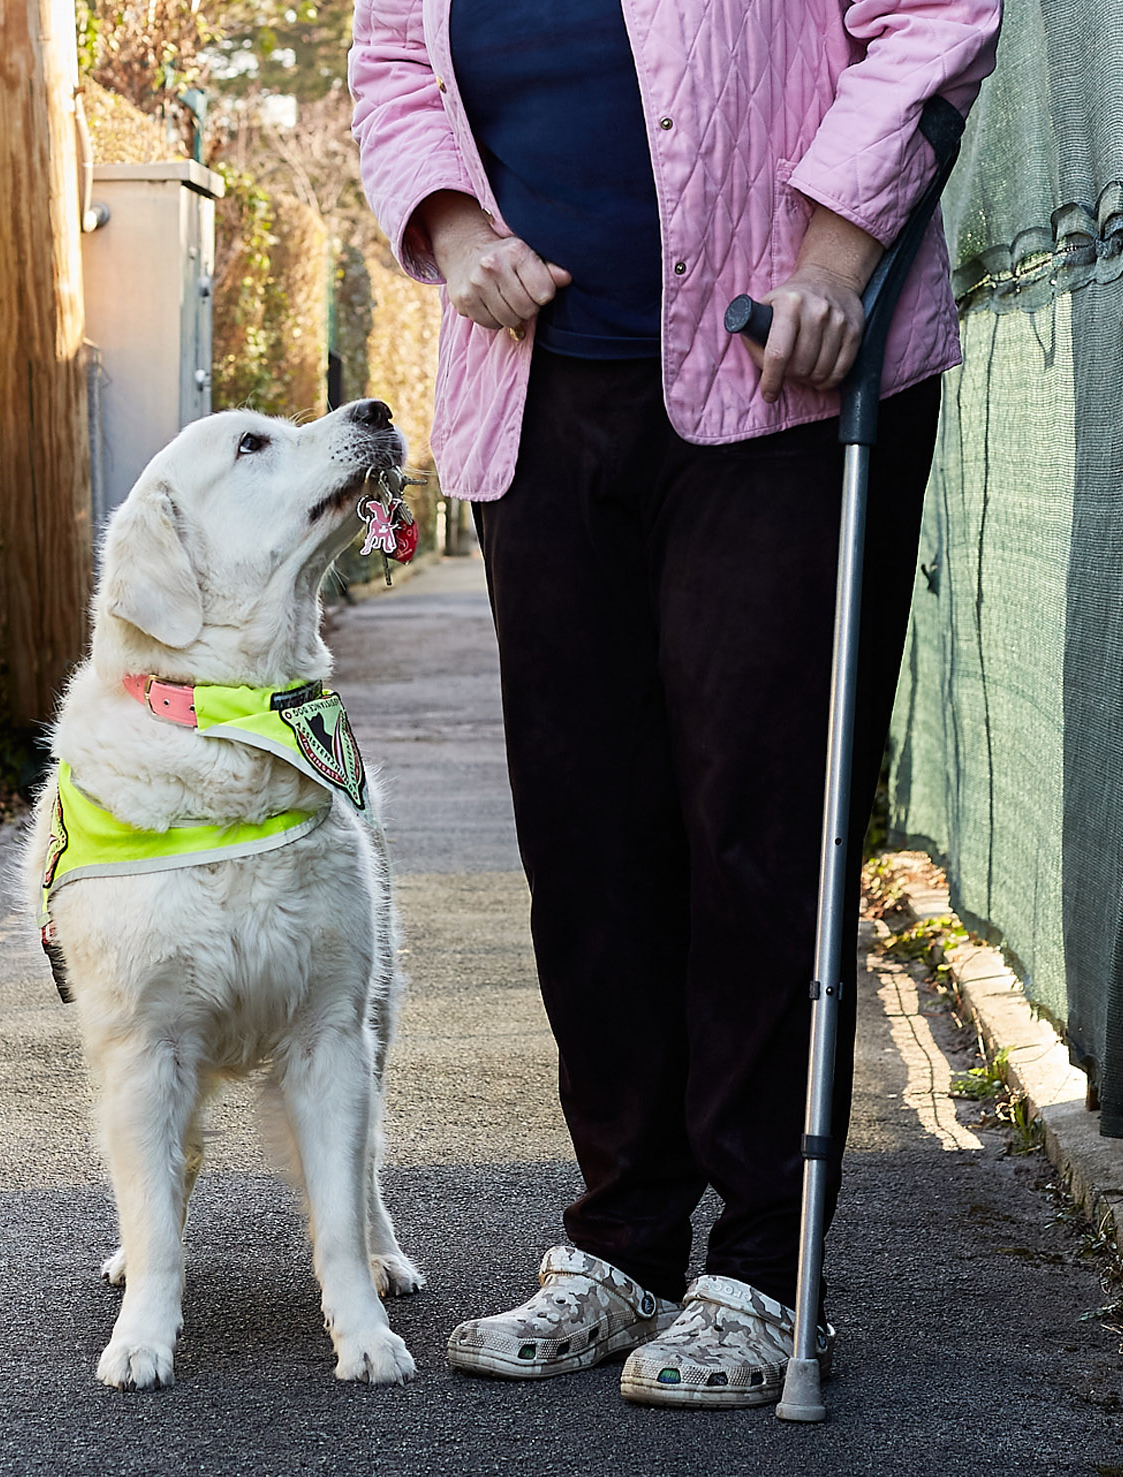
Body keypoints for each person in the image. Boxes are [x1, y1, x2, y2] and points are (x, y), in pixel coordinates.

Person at [348, 0, 1002, 1408]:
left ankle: (763, 1264)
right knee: (586, 836)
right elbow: (394, 60)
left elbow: (939, 19)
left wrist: (835, 252)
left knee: (758, 822)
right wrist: (459, 236)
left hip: (782, 374)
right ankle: (625, 1238)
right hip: (539, 393)